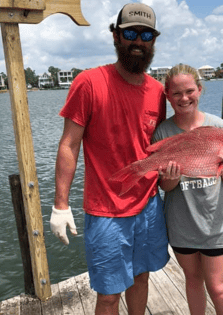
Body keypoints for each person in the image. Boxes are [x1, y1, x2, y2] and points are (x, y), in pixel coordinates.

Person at [50, 3, 169, 315]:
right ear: (116, 36)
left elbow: (158, 147)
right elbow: (69, 144)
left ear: (153, 41)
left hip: (149, 206)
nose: (138, 41)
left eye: (146, 35)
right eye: (130, 33)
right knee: (108, 296)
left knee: (141, 278)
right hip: (106, 212)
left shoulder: (158, 92)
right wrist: (60, 204)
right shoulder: (89, 82)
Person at [153, 64, 223, 315]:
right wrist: (172, 177)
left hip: (217, 223)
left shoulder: (219, 127)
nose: (184, 98)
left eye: (190, 91)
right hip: (182, 224)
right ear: (168, 96)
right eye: (177, 93)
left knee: (218, 288)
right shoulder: (163, 132)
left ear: (200, 90)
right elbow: (165, 186)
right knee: (193, 281)